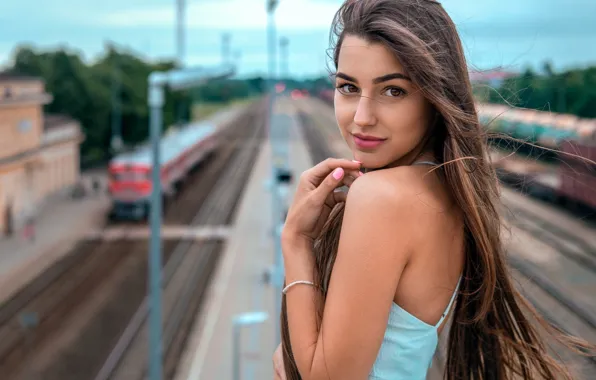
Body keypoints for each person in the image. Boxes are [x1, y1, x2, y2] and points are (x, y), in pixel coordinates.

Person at [274, 1, 593, 379]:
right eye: (348, 87)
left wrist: (295, 240)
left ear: (434, 95)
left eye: (393, 91)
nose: (361, 117)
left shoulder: (382, 198)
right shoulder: (443, 191)